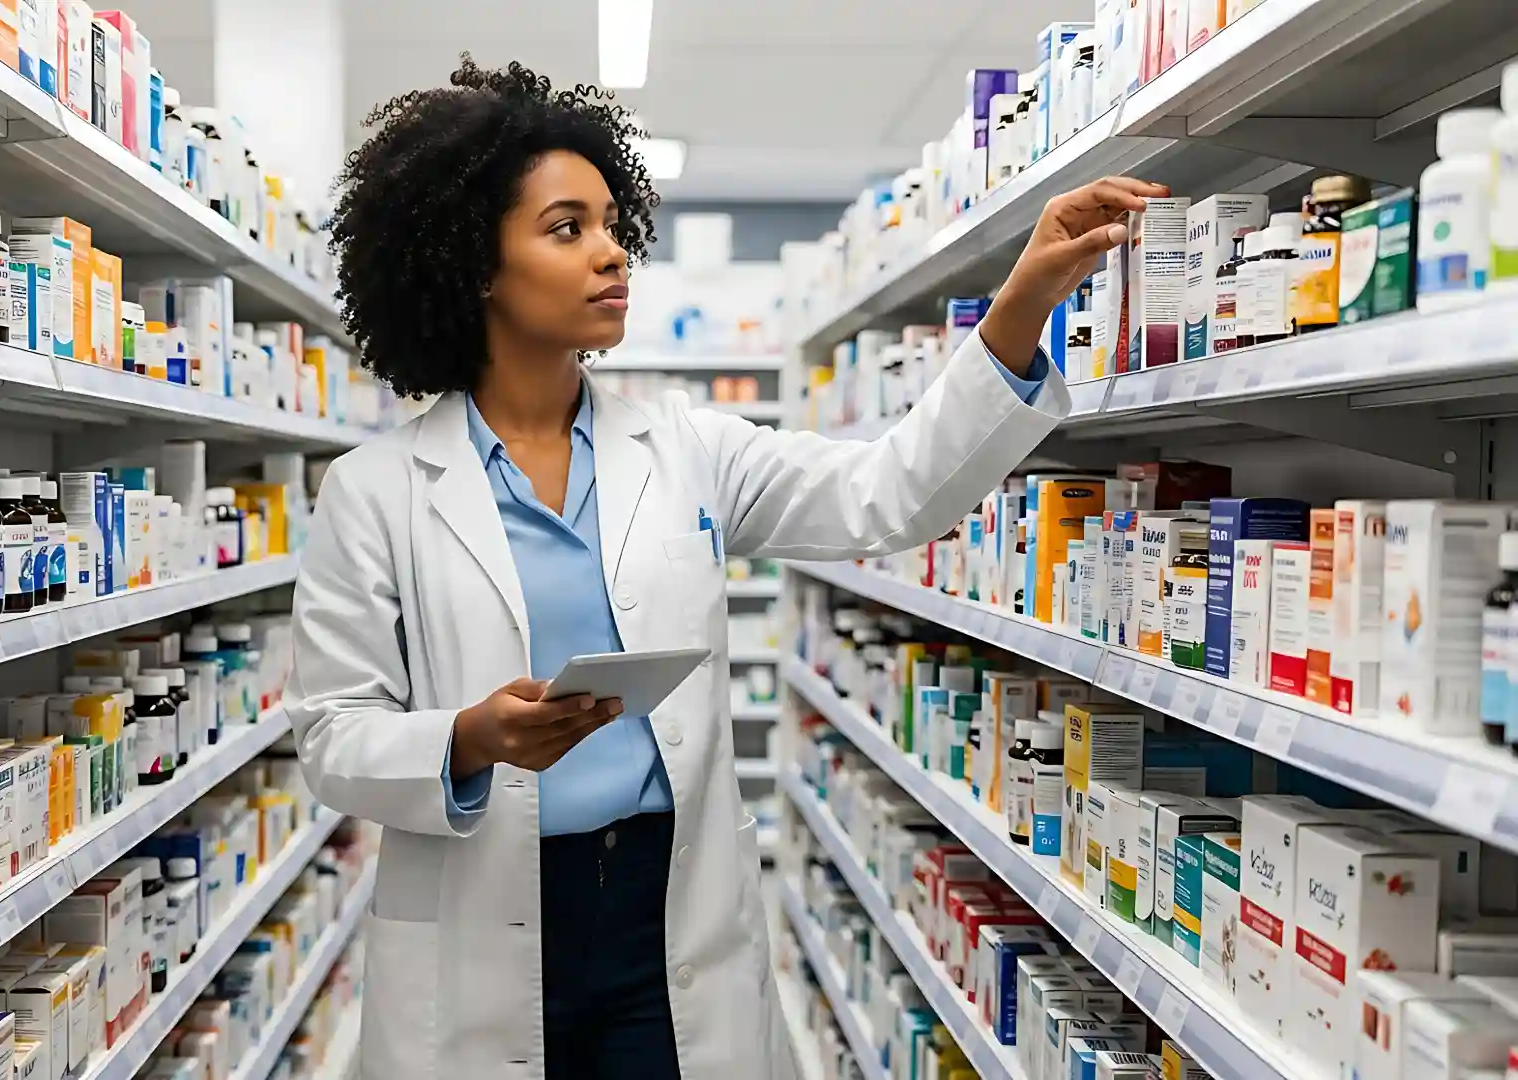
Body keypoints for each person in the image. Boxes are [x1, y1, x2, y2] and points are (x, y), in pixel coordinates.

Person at [287, 56, 1166, 1080]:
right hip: (480, 918)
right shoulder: (375, 489)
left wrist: (1020, 305)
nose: (612, 254)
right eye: (567, 229)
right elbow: (331, 735)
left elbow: (887, 494)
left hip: (666, 916)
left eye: (614, 224)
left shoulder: (686, 447)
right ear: (472, 263)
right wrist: (470, 738)